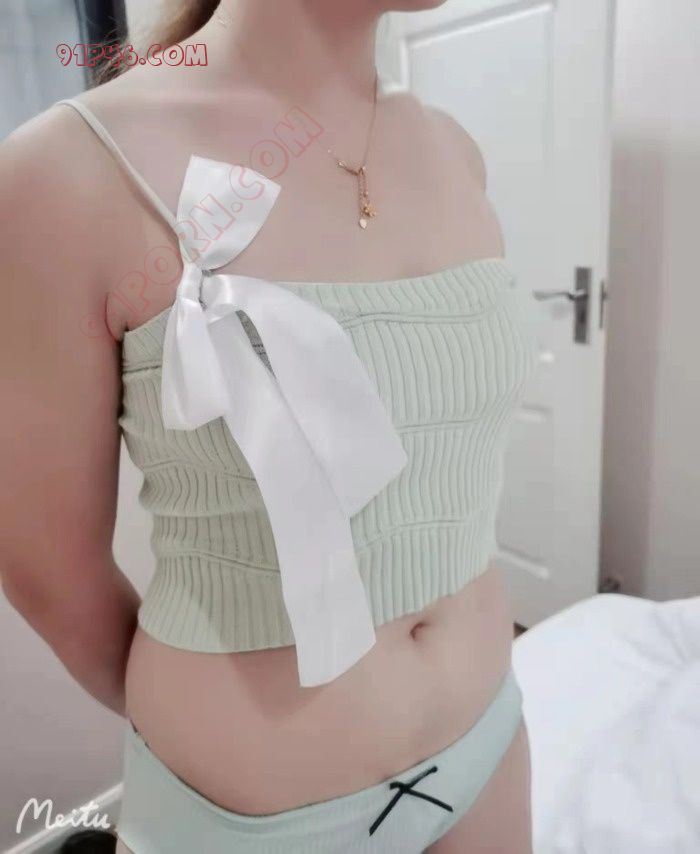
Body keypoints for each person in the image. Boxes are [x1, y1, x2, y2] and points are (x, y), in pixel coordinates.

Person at [0, 1, 538, 851]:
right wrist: (207, 713)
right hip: (248, 814)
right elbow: (49, 574)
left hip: (487, 741)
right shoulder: (67, 170)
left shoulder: (453, 148)